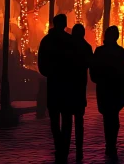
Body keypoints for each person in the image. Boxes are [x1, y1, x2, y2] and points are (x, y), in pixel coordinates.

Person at [90, 26, 124, 160]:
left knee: (107, 117)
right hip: (116, 87)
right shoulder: (119, 51)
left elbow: (93, 69)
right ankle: (111, 143)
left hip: (104, 88)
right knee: (113, 116)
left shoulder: (100, 51)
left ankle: (110, 143)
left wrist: (97, 79)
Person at [38, 14, 76, 163]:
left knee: (54, 118)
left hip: (53, 83)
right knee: (66, 117)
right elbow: (75, 62)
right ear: (64, 24)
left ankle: (58, 143)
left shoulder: (47, 41)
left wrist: (49, 72)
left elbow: (42, 64)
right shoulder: (69, 41)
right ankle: (64, 146)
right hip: (67, 83)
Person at [71, 24, 93, 161]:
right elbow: (91, 65)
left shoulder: (67, 46)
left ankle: (64, 145)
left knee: (66, 117)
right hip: (80, 85)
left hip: (67, 84)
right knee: (79, 118)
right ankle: (79, 147)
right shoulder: (86, 47)